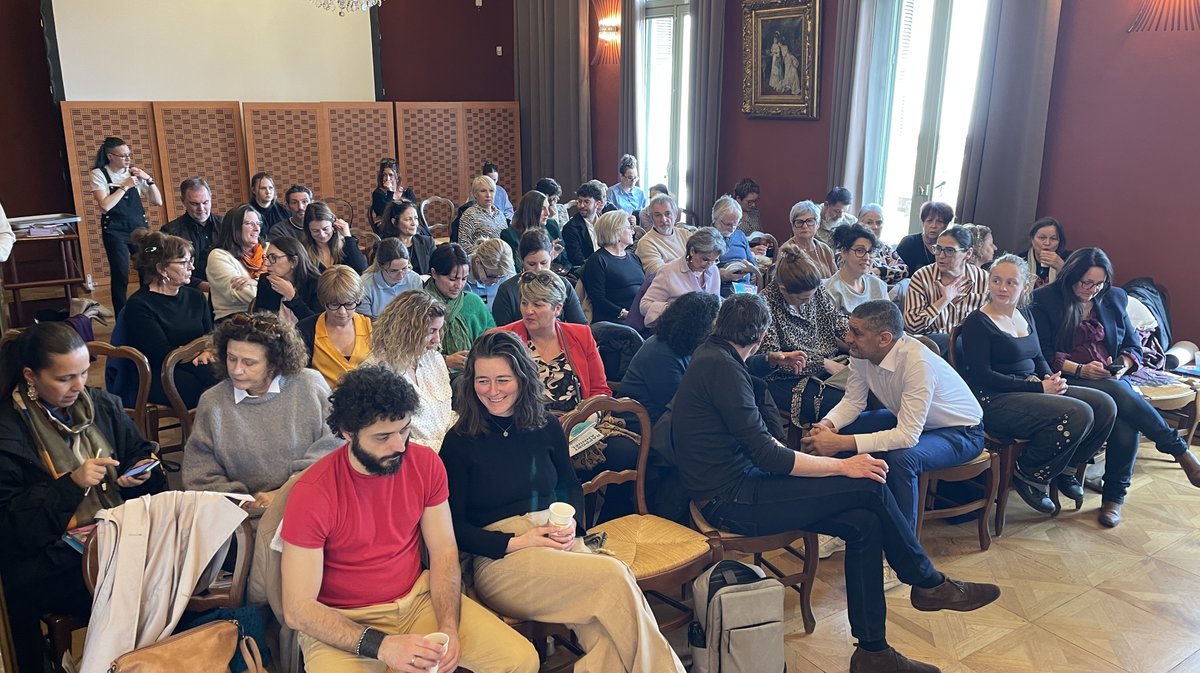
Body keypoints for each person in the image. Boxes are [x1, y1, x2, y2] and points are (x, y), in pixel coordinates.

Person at [671, 295, 1000, 673]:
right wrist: (843, 466)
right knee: (869, 484)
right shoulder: (723, 369)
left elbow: (758, 423)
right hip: (733, 498)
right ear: (761, 335)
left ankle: (874, 653)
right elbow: (770, 457)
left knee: (865, 522)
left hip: (739, 486)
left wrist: (835, 447)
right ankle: (925, 580)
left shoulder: (716, 357)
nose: (848, 337)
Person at [440, 331, 687, 672]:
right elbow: (454, 529)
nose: (492, 391)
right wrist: (518, 541)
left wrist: (572, 525)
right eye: (483, 380)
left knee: (606, 633)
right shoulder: (460, 441)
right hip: (499, 558)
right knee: (615, 577)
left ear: (522, 378)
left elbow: (570, 487)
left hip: (556, 537)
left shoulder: (544, 424)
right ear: (470, 382)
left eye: (502, 380)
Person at [280, 365, 539, 673]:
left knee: (520, 660)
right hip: (346, 620)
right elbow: (298, 609)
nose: (400, 445)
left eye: (404, 429)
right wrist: (383, 645)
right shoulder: (313, 491)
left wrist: (449, 626)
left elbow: (443, 551)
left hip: (418, 599)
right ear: (348, 433)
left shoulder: (425, 464)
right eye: (383, 436)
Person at [0, 323, 164, 673]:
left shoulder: (99, 404)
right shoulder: (8, 429)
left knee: (168, 563)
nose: (79, 386)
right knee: (143, 582)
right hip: (48, 559)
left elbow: (136, 450)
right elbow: (11, 528)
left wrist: (140, 470)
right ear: (30, 375)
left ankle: (153, 657)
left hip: (112, 534)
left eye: (85, 372)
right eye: (64, 379)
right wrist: (71, 485)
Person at [1030, 247, 1200, 527]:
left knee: (1126, 418)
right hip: (1068, 377)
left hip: (1110, 378)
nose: (1092, 290)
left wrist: (1121, 365)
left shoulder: (1113, 297)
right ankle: (1178, 451)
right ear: (1071, 276)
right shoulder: (1046, 299)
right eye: (1086, 283)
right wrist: (1082, 369)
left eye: (1099, 283)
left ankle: (1113, 499)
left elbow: (1133, 346)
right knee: (1123, 396)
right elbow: (1043, 353)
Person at [803, 300, 985, 528]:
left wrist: (840, 443)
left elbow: (907, 437)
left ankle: (901, 543)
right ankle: (849, 521)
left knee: (902, 458)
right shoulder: (861, 354)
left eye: (856, 333)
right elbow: (852, 402)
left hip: (961, 432)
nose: (847, 338)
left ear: (884, 339)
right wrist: (827, 426)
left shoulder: (917, 362)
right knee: (847, 428)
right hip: (915, 422)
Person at [959, 254, 1116, 514]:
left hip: (1030, 389)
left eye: (1010, 282)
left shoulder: (1025, 315)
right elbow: (982, 376)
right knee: (1078, 413)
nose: (1002, 287)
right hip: (993, 399)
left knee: (1104, 405)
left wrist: (1050, 378)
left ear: (1025, 287)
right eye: (996, 280)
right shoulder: (978, 322)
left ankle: (1067, 469)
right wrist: (1039, 388)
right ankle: (1030, 473)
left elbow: (1039, 356)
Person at [183, 311, 341, 509]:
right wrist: (242, 502)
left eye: (249, 362)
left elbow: (333, 448)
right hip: (243, 514)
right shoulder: (213, 402)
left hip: (311, 501)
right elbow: (200, 472)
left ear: (275, 363)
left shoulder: (309, 385)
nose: (237, 370)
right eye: (232, 358)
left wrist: (285, 493)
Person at [753, 244, 849, 422]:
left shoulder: (814, 290)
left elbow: (835, 319)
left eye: (812, 296)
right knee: (846, 404)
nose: (809, 302)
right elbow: (775, 358)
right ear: (783, 290)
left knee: (867, 388)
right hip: (784, 379)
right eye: (803, 299)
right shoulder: (764, 305)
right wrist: (822, 363)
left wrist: (856, 337)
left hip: (826, 363)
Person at [123, 230, 215, 408]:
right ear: (161, 268)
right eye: (183, 263)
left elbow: (209, 336)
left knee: (228, 375)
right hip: (159, 371)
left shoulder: (195, 297)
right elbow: (161, 354)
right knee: (199, 386)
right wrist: (198, 352)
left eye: (191, 261)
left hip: (196, 362)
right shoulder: (140, 305)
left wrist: (207, 351)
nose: (192, 268)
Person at [365, 291, 457, 453]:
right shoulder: (377, 373)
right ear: (407, 331)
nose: (437, 339)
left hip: (451, 451)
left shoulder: (433, 359)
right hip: (411, 458)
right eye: (431, 331)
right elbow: (387, 437)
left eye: (439, 330)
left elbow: (446, 416)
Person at [622, 291, 721, 425]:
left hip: (667, 419)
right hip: (644, 425)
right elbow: (680, 404)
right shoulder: (661, 354)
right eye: (711, 326)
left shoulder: (681, 344)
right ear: (698, 327)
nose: (713, 331)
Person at [90, 136, 163, 316]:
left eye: (129, 155)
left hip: (139, 229)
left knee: (146, 271)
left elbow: (157, 201)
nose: (128, 159)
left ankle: (147, 312)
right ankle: (122, 316)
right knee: (121, 275)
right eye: (123, 156)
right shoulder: (99, 174)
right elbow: (105, 205)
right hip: (115, 230)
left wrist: (149, 179)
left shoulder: (135, 174)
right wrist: (125, 186)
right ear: (110, 156)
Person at [903, 225, 988, 350]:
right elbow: (912, 326)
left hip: (970, 341)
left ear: (968, 253)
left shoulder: (983, 279)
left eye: (949, 250)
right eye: (938, 249)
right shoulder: (922, 277)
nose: (941, 256)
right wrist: (944, 300)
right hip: (932, 342)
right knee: (955, 344)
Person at [297, 265, 373, 389]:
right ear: (323, 301)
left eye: (349, 304)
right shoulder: (306, 330)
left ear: (358, 300)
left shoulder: (370, 326)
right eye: (334, 304)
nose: (342, 312)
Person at [492, 230, 588, 326]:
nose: (539, 269)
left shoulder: (563, 284)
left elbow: (581, 326)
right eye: (532, 264)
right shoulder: (507, 290)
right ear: (521, 260)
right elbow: (501, 334)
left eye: (544, 263)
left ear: (551, 256)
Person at [424, 243, 495, 371]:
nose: (459, 285)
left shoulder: (473, 302)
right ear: (434, 273)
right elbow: (409, 353)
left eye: (464, 279)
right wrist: (445, 360)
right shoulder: (419, 306)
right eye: (452, 279)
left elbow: (492, 340)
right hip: (430, 375)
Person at [640, 226, 724, 328]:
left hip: (705, 329)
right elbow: (644, 306)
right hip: (676, 330)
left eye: (715, 260)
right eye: (705, 259)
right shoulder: (669, 272)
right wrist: (677, 308)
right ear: (692, 251)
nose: (709, 265)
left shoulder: (713, 269)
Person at [580, 211, 644, 323]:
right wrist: (624, 313)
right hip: (615, 321)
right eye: (629, 228)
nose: (633, 232)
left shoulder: (634, 258)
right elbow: (598, 299)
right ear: (616, 231)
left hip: (641, 315)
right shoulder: (598, 260)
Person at [208, 204, 265, 320]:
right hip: (235, 322)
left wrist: (254, 282)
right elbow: (248, 294)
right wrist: (267, 285)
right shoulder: (219, 256)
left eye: (258, 223)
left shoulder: (268, 251)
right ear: (234, 228)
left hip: (269, 318)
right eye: (249, 224)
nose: (257, 229)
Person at [162, 177, 219, 292]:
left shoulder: (226, 225)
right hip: (188, 289)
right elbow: (169, 270)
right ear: (183, 201)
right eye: (194, 204)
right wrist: (201, 285)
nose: (201, 209)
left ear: (211, 198)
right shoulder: (171, 232)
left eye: (205, 202)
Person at [254, 236, 323, 324]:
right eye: (266, 258)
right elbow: (261, 320)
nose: (266, 263)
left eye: (273, 258)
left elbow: (318, 325)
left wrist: (293, 298)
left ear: (294, 261)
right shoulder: (266, 280)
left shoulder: (317, 283)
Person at [826, 223, 890, 316]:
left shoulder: (879, 285)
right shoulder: (831, 291)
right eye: (860, 250)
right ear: (844, 252)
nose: (867, 257)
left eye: (871, 251)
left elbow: (891, 322)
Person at [358, 237, 422, 319]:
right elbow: (365, 323)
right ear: (381, 267)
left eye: (405, 268)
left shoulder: (414, 279)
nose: (401, 275)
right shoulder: (365, 285)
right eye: (394, 271)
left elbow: (419, 314)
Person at [500, 190, 567, 268]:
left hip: (560, 275)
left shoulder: (552, 225)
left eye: (548, 208)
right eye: (543, 208)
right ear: (531, 210)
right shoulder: (509, 235)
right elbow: (516, 268)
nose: (548, 213)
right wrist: (547, 258)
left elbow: (566, 258)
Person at [303, 201, 368, 274]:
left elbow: (362, 269)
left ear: (333, 225)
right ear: (308, 230)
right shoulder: (303, 250)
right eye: (315, 231)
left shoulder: (346, 245)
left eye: (325, 229)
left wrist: (347, 236)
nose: (322, 234)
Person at [634, 193, 691, 275]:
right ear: (651, 218)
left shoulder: (685, 234)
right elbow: (660, 274)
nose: (664, 220)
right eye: (658, 215)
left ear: (675, 215)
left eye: (668, 214)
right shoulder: (646, 243)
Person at [711, 195, 758, 293]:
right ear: (715, 219)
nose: (732, 228)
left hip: (744, 288)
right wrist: (721, 275)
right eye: (728, 224)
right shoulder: (707, 237)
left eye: (736, 224)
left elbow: (753, 264)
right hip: (721, 289)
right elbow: (699, 272)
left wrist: (748, 268)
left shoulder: (740, 235)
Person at [378, 199, 434, 275]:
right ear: (394, 222)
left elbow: (438, 270)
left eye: (416, 218)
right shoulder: (384, 247)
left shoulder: (427, 242)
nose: (414, 223)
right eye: (408, 219)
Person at [895, 201, 953, 275]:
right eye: (929, 221)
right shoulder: (909, 243)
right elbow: (898, 271)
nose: (933, 226)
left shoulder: (950, 247)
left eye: (939, 222)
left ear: (946, 225)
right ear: (923, 223)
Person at [785, 200, 838, 278]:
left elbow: (835, 279)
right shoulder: (786, 251)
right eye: (799, 222)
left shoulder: (826, 250)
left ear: (818, 224)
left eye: (810, 221)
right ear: (793, 226)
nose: (805, 226)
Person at [856, 204, 908, 284]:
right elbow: (861, 276)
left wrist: (880, 270)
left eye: (879, 223)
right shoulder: (853, 247)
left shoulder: (885, 247)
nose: (875, 227)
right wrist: (889, 272)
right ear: (859, 223)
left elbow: (904, 269)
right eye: (869, 222)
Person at [458, 175, 507, 256]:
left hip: (502, 260)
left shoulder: (500, 214)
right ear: (475, 194)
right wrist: (486, 255)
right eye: (483, 191)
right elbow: (463, 246)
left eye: (491, 191)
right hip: (481, 262)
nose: (488, 195)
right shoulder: (469, 215)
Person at [1021, 217, 1071, 288]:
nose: (1047, 243)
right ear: (1032, 239)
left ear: (1059, 241)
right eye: (1042, 238)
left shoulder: (1069, 259)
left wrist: (1062, 268)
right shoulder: (1021, 260)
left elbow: (1075, 290)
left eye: (1053, 238)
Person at [563, 181, 603, 267]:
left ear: (597, 204)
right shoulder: (570, 228)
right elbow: (577, 259)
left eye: (586, 202)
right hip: (587, 270)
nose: (581, 206)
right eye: (579, 201)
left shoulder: (606, 223)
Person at [466, 237, 515, 308]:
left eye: (501, 276)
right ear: (478, 262)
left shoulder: (506, 269)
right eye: (491, 276)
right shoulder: (461, 273)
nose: (496, 281)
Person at [370, 158, 417, 222]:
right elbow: (386, 214)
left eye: (390, 175)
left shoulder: (407, 192)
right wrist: (390, 192)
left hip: (408, 223)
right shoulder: (377, 194)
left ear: (397, 176)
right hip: (388, 226)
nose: (387, 178)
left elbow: (413, 211)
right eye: (384, 175)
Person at [247, 172, 291, 236]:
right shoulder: (247, 212)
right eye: (263, 188)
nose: (268, 192)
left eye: (270, 188)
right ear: (253, 190)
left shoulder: (284, 211)